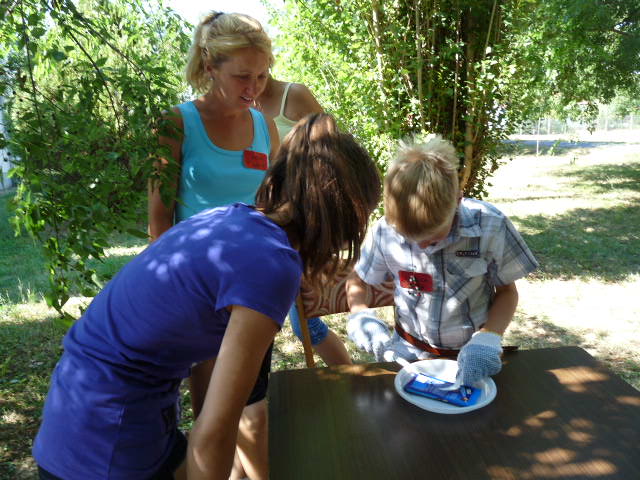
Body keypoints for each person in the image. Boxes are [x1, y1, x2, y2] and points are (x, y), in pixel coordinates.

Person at [32, 113, 382, 480]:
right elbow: (214, 433)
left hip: (74, 414)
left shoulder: (232, 221)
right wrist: (208, 437)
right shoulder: (272, 265)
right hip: (107, 439)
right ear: (339, 218)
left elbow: (208, 381)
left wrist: (207, 437)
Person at [146, 12, 278, 479]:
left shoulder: (264, 126)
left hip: (254, 289)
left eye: (261, 75)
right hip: (198, 288)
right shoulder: (176, 123)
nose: (254, 87)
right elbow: (159, 221)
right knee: (211, 414)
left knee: (251, 404)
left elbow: (273, 207)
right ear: (209, 66)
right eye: (242, 75)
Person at [345, 135, 538, 388]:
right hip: (407, 352)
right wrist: (360, 315)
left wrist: (489, 337)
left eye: (433, 236)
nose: (423, 247)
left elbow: (507, 292)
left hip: (470, 354)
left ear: (457, 200)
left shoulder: (490, 226)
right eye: (409, 237)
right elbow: (357, 281)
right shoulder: (385, 231)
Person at [256, 75, 352, 366]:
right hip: (261, 227)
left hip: (301, 227)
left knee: (306, 325)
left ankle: (351, 379)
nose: (252, 81)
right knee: (279, 325)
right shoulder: (241, 104)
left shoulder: (295, 94)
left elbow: (334, 151)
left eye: (257, 71)